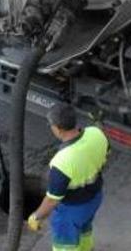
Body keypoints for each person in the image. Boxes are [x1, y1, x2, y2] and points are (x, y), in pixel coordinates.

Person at [27, 104, 109, 251]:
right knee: (85, 229)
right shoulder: (96, 133)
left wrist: (36, 217)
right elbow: (105, 154)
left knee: (65, 245)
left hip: (71, 211)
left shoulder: (61, 162)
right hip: (95, 198)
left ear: (57, 128)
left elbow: (52, 200)